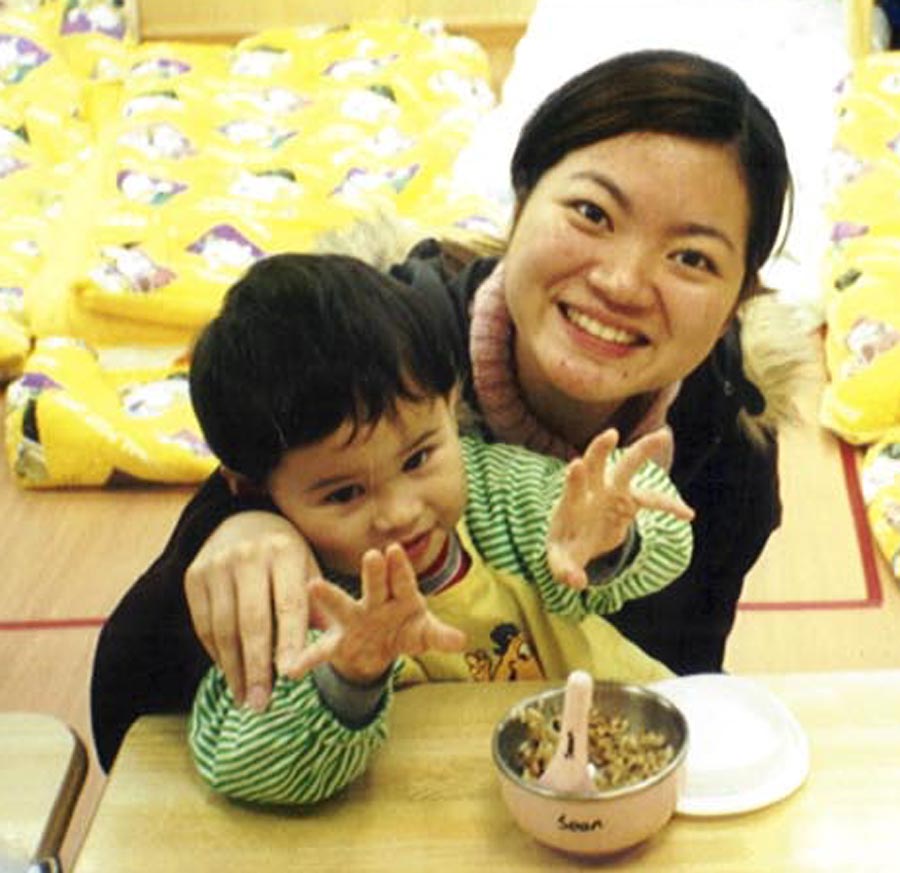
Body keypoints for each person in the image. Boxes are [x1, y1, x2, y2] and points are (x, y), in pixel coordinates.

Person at [90, 48, 810, 771]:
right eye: (592, 213)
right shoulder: (378, 366)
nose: (622, 281)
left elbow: (679, 688)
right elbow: (133, 708)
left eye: (691, 257)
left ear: (736, 305)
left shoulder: (728, 439)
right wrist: (239, 523)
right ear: (520, 201)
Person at [183, 251, 692, 804]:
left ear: (451, 403)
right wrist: (350, 678)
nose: (401, 512)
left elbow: (669, 544)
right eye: (345, 494)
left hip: (623, 773)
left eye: (419, 458)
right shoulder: (297, 600)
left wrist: (607, 539)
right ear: (258, 490)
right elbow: (245, 768)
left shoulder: (495, 497)